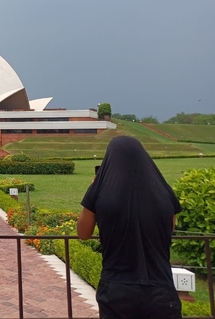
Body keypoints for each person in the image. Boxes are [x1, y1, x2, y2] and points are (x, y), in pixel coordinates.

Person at [77, 136, 182, 319]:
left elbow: (83, 233)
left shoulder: (100, 191)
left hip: (117, 288)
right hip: (161, 288)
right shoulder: (165, 192)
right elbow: (169, 230)